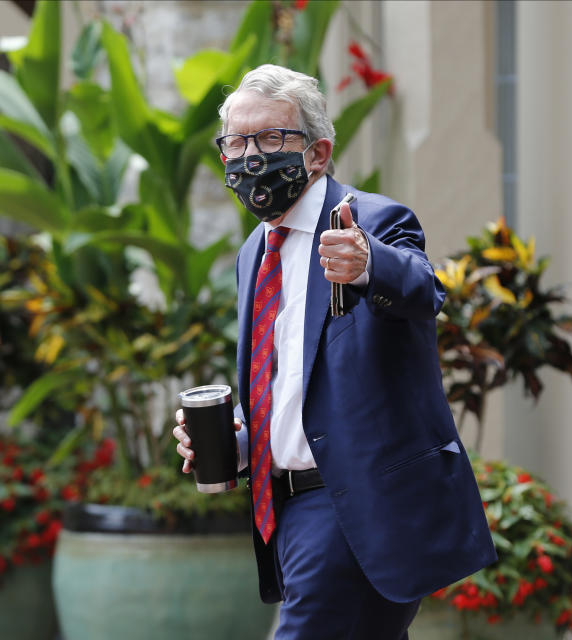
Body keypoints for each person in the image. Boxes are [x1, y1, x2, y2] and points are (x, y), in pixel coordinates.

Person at [172, 63, 496, 639]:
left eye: (270, 139)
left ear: (317, 153)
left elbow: (426, 290)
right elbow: (291, 383)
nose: (250, 157)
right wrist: (239, 444)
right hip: (285, 512)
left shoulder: (371, 220)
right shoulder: (255, 250)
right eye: (236, 143)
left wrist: (369, 262)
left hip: (356, 506)